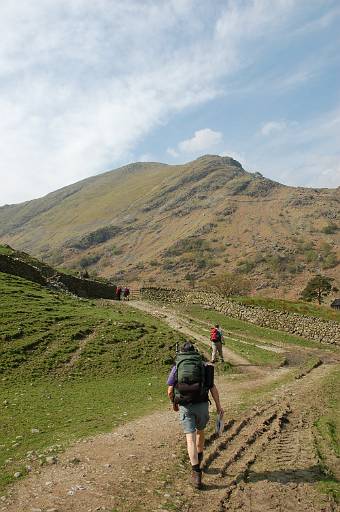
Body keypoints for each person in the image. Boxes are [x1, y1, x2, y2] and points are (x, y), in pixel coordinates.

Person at [167, 342, 224, 489]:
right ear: (195, 352)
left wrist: (174, 403)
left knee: (189, 440)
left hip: (185, 406)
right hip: (202, 404)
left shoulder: (177, 366)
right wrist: (218, 407)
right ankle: (199, 458)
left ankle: (196, 472)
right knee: (200, 432)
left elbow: (169, 390)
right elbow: (212, 388)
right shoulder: (204, 365)